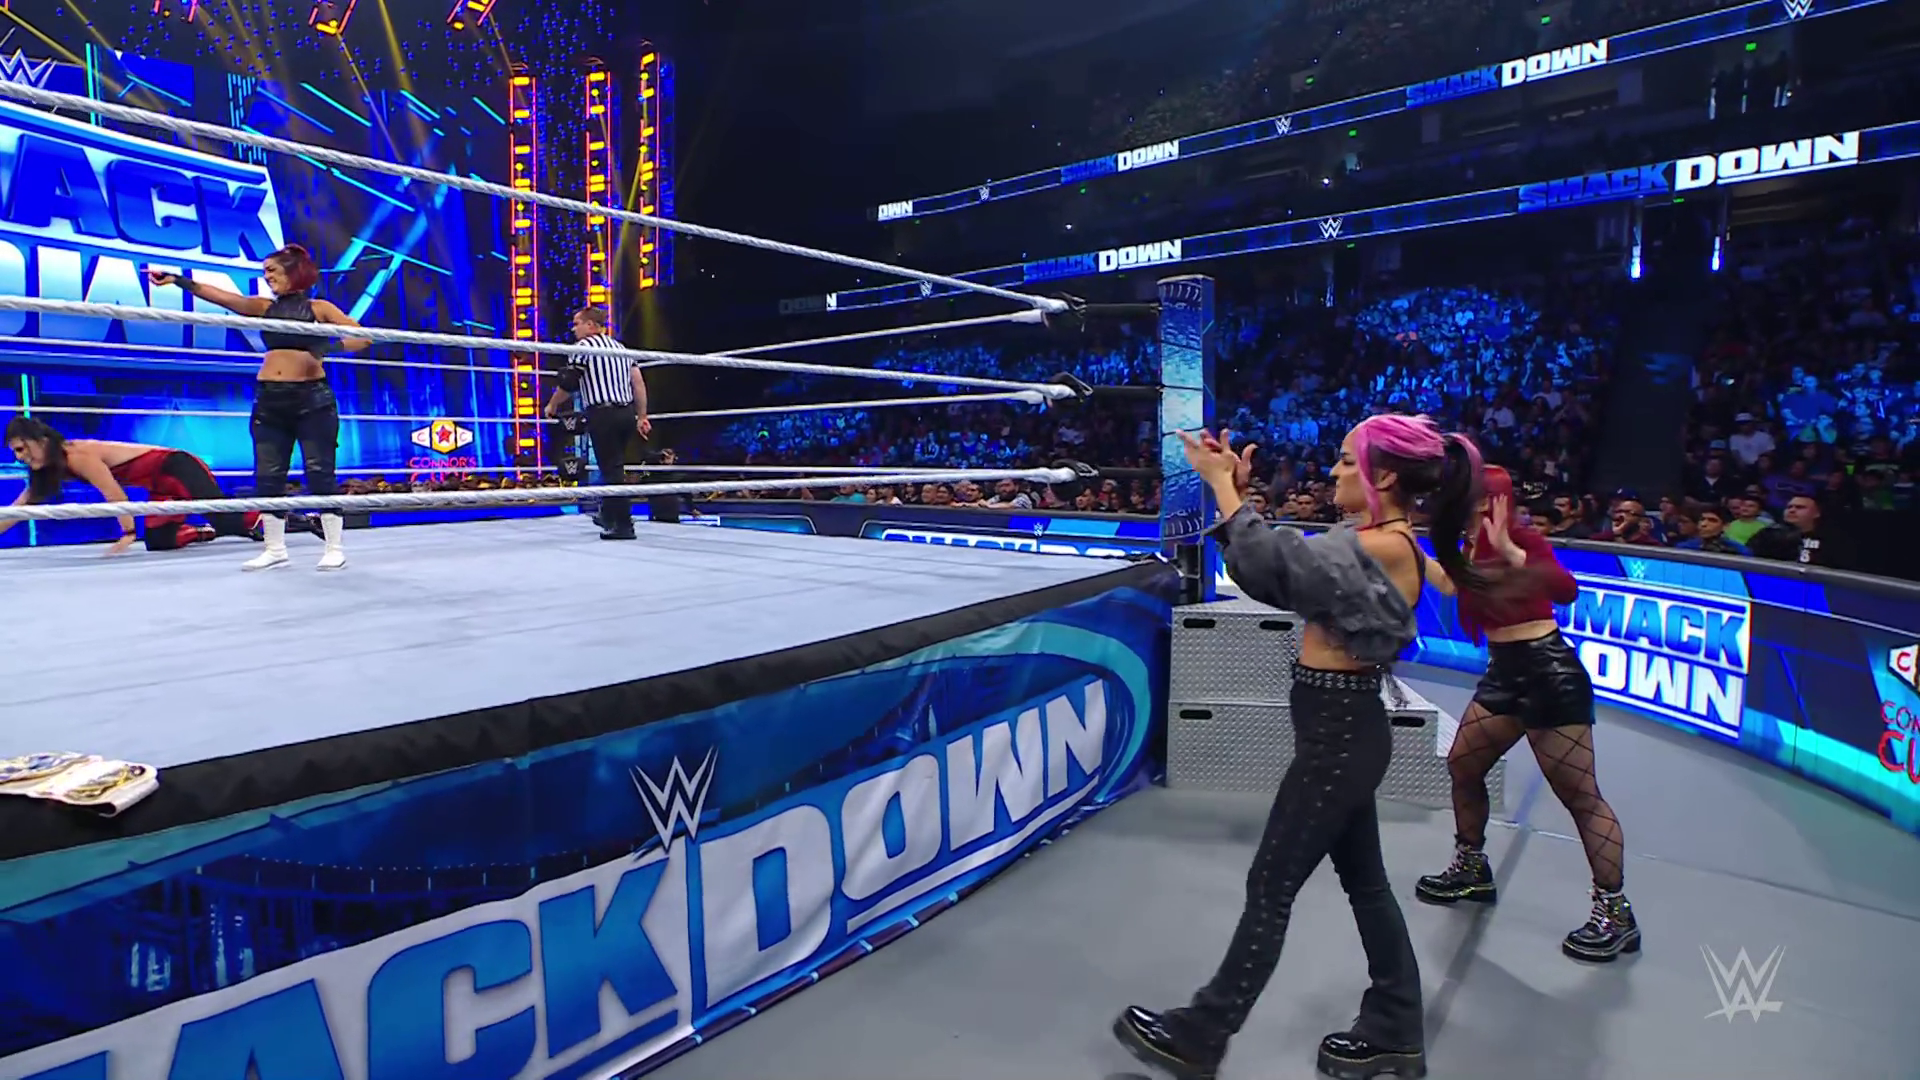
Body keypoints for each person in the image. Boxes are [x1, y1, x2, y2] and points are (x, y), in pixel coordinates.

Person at [1115, 413, 1486, 1080]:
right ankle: (1396, 1027)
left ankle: (1203, 1033)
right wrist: (1236, 497)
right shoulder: (1372, 539)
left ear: (1384, 477)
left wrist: (1223, 487)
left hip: (1340, 736)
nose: (1334, 470)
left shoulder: (1385, 545)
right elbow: (1276, 569)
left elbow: (1269, 567)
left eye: (1346, 459)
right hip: (1340, 731)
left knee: (1271, 884)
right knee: (1365, 884)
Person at [1414, 465, 1638, 962]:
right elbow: (1449, 585)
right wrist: (1406, 545)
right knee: (1464, 764)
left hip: (1548, 672)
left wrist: (1511, 551)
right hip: (1504, 672)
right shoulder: (1468, 547)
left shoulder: (1523, 540)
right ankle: (1471, 867)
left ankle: (1615, 913)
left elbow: (1565, 590)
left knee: (1580, 796)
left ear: (1486, 500)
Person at [147, 244, 369, 571]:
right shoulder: (265, 308)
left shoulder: (319, 308)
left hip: (312, 401)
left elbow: (363, 338)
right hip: (269, 401)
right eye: (265, 272)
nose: (267, 277)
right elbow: (224, 298)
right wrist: (179, 280)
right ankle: (274, 548)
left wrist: (326, 344)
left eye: (272, 271)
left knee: (320, 473)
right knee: (267, 478)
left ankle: (334, 547)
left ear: (293, 272)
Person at [3, 418, 261, 553]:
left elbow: (113, 493)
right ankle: (204, 532)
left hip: (177, 468)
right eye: (14, 452)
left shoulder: (77, 455)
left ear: (41, 440)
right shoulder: (51, 468)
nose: (19, 457)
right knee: (160, 541)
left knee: (227, 521)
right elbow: (19, 507)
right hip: (161, 486)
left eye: (21, 449)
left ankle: (278, 517)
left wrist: (128, 532)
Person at [543, 306, 651, 540]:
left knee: (612, 470)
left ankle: (623, 525)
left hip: (603, 414)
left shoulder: (583, 347)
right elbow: (638, 383)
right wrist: (642, 416)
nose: (573, 329)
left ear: (590, 325)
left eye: (577, 323)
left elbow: (570, 382)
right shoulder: (620, 347)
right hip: (626, 414)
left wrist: (552, 405)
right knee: (614, 466)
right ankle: (607, 514)